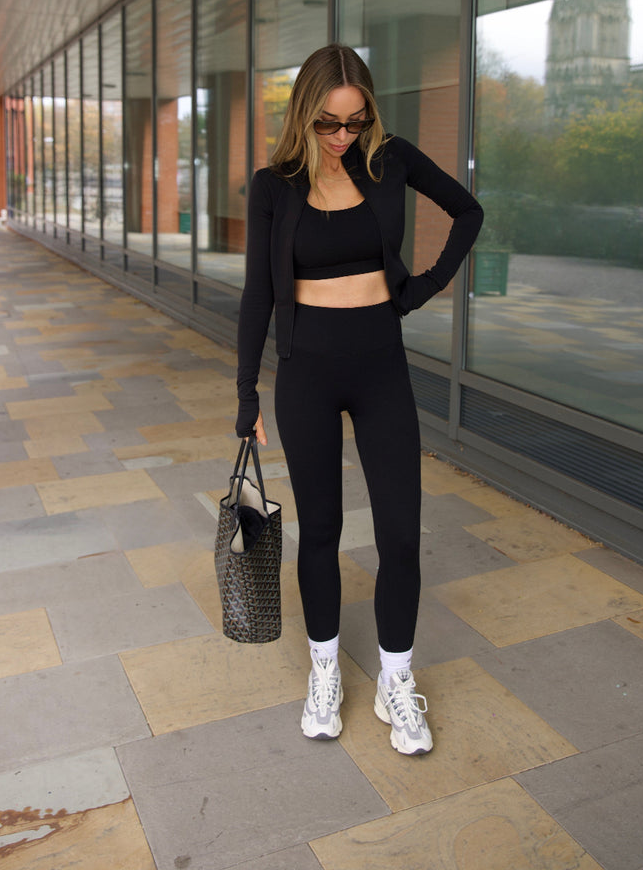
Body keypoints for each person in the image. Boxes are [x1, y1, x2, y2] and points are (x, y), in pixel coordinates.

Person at [235, 43, 483, 755]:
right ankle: (325, 673)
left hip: (381, 366)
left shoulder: (391, 160)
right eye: (327, 124)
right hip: (306, 370)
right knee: (320, 533)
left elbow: (468, 212)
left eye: (355, 121)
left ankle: (397, 682)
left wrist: (420, 287)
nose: (342, 137)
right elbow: (258, 292)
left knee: (401, 532)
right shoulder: (274, 184)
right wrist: (245, 389)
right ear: (304, 116)